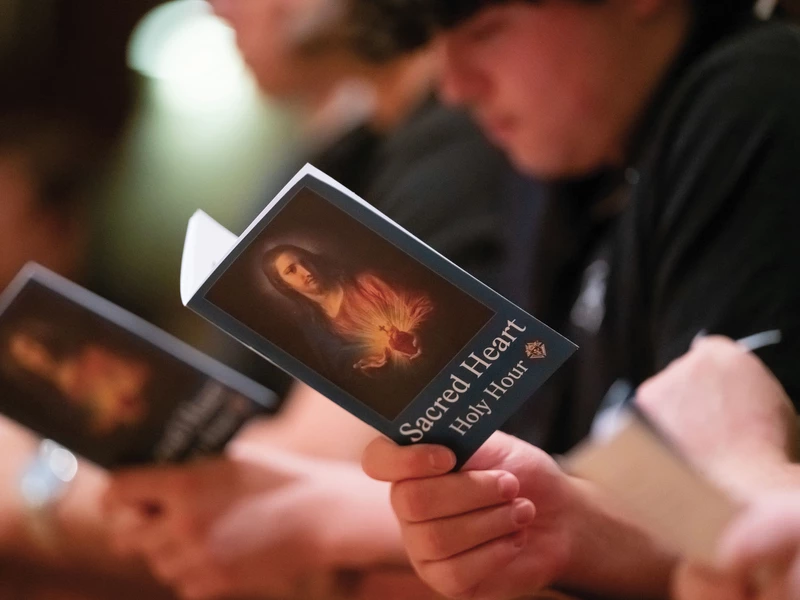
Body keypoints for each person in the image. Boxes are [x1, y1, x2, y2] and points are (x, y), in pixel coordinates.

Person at [350, 0, 800, 597]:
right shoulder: (571, 172)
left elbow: (737, 541)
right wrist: (564, 525)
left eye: (487, 32)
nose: (454, 88)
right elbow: (671, 531)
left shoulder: (752, 97)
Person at [103, 0, 521, 598]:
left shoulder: (463, 141)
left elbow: (322, 461)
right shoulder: (346, 147)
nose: (215, 9)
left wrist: (51, 487)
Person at [262, 244, 433, 374]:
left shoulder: (368, 283)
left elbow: (423, 303)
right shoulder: (316, 326)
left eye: (304, 261)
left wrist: (418, 330)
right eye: (291, 270)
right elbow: (341, 368)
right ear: (284, 285)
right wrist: (368, 362)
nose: (306, 271)